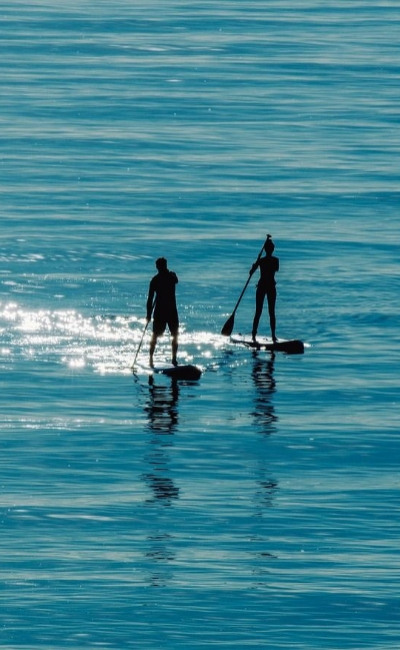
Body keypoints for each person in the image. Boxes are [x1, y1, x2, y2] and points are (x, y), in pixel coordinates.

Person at [146, 257, 179, 367]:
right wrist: (148, 314)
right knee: (156, 335)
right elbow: (150, 299)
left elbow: (176, 280)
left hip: (169, 312)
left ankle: (173, 359)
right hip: (163, 312)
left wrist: (148, 315)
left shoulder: (166, 277)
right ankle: (151, 357)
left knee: (174, 335)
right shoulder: (157, 280)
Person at [250, 234, 279, 342]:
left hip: (265, 286)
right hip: (267, 287)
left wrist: (257, 263)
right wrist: (255, 264)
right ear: (271, 249)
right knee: (263, 311)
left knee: (263, 311)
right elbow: (251, 272)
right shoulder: (274, 260)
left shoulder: (264, 261)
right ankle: (270, 335)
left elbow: (251, 272)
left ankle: (256, 334)